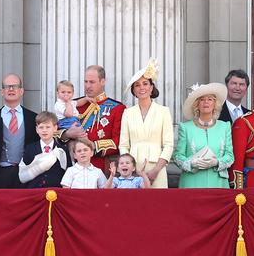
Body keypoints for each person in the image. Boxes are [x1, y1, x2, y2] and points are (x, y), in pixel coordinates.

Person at [119, 59, 174, 188]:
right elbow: (123, 145)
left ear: (151, 87)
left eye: (145, 83)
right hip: (133, 169)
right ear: (133, 90)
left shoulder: (163, 111)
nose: (141, 87)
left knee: (158, 205)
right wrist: (128, 167)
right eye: (137, 85)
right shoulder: (127, 113)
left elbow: (168, 145)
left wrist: (156, 170)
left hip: (157, 167)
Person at [174, 82, 233, 188]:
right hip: (192, 183)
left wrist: (217, 162)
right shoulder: (185, 127)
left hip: (218, 183)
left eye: (210, 99)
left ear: (215, 104)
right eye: (202, 99)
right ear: (197, 104)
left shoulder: (225, 127)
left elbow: (230, 156)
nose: (206, 102)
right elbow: (178, 157)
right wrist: (192, 163)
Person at [67, 65, 125, 171]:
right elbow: (56, 132)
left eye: (92, 82)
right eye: (86, 82)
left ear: (102, 81)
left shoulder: (117, 108)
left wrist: (92, 146)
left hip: (100, 166)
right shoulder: (73, 105)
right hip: (73, 167)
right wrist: (67, 134)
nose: (88, 86)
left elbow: (119, 141)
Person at [18, 111, 70, 189]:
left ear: (55, 128)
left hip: (56, 192)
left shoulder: (62, 150)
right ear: (37, 129)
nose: (44, 130)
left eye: (48, 127)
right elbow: (24, 173)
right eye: (41, 127)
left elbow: (67, 173)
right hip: (34, 192)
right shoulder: (30, 149)